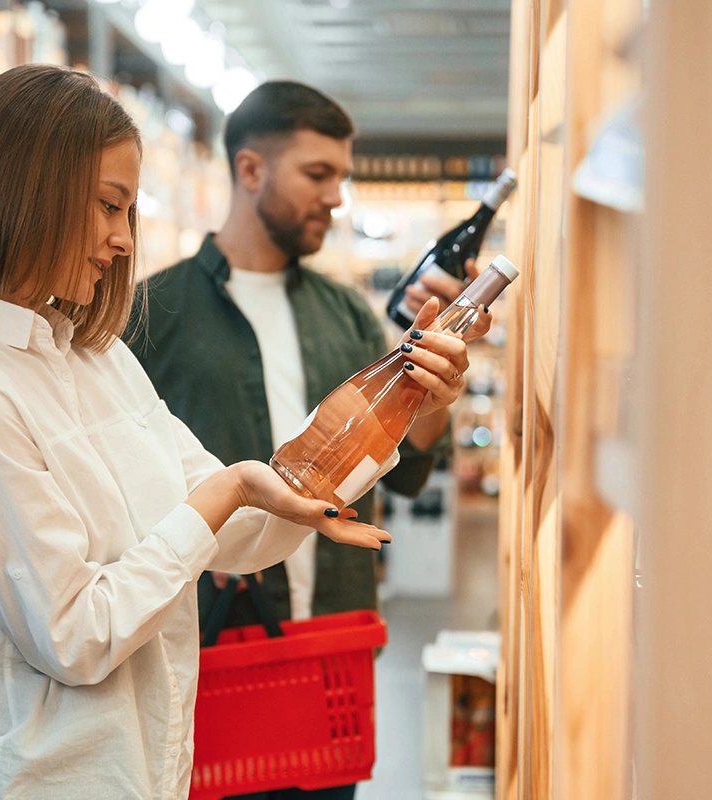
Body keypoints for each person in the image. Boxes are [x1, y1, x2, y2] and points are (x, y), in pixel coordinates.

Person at [0, 65, 404, 800]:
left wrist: (371, 425)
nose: (124, 241)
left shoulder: (95, 357)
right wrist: (227, 492)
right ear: (28, 193)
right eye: (107, 207)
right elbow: (77, 634)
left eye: (128, 212)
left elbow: (235, 531)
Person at [128, 81, 492, 799]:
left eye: (342, 178)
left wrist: (436, 396)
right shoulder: (150, 314)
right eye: (318, 175)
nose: (336, 198)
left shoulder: (347, 317)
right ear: (252, 170)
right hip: (203, 650)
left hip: (329, 646)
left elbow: (412, 470)